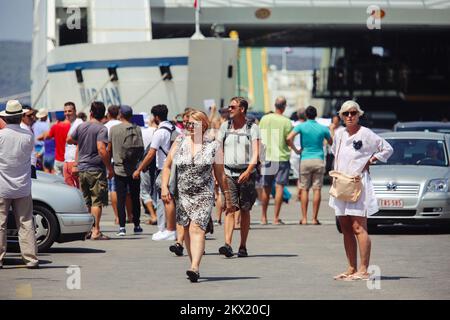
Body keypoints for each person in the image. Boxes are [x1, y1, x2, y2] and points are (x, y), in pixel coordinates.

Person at [161, 110, 233, 282]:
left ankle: (195, 267)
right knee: (186, 228)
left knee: (197, 228)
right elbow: (167, 166)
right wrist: (164, 186)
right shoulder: (179, 141)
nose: (189, 127)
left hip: (203, 194)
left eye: (193, 124)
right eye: (188, 124)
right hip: (183, 194)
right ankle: (192, 261)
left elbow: (220, 175)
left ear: (204, 125)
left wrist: (227, 196)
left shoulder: (214, 146)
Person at [329, 100, 393, 281]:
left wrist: (371, 160)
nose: (350, 116)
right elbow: (335, 154)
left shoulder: (366, 134)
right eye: (346, 113)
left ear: (359, 115)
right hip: (341, 184)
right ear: (341, 116)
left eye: (353, 113)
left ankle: (363, 269)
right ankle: (351, 267)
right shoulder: (340, 134)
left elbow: (387, 148)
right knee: (345, 227)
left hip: (358, 185)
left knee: (358, 227)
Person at [216, 97, 260, 258]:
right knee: (230, 208)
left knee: (245, 209)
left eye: (233, 107)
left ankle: (242, 245)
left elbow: (256, 153)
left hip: (246, 174)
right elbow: (218, 151)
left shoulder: (252, 128)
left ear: (242, 109)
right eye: (229, 107)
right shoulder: (224, 126)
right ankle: (227, 244)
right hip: (228, 173)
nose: (229, 109)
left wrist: (248, 171)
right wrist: (218, 173)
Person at [0, 100, 39, 269]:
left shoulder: (1, 136)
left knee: (0, 225)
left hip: (2, 186)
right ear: (20, 116)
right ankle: (30, 259)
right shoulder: (28, 136)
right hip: (23, 186)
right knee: (26, 223)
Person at [67, 101, 113, 240]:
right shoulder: (102, 128)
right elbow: (101, 148)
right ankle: (96, 230)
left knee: (87, 201)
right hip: (95, 169)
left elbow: (69, 139)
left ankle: (88, 229)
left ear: (91, 113)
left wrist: (82, 142)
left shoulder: (82, 126)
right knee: (97, 201)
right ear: (103, 114)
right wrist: (109, 167)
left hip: (82, 168)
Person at [133, 104, 177, 241]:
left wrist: (139, 169)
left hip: (163, 169)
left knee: (162, 200)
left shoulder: (159, 132)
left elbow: (151, 153)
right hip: (175, 168)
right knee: (172, 200)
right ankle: (172, 228)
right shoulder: (174, 129)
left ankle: (164, 229)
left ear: (156, 117)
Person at [287, 106, 333, 225]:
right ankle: (314, 219)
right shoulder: (322, 128)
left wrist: (296, 150)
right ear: (316, 115)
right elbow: (331, 141)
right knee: (317, 189)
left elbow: (288, 138)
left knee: (305, 189)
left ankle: (304, 218)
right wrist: (323, 143)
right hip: (318, 159)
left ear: (306, 115)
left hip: (305, 159)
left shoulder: (301, 126)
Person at [109, 105, 144, 236]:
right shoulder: (137, 129)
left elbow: (110, 149)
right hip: (134, 168)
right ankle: (137, 225)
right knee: (135, 197)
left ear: (120, 114)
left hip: (119, 168)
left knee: (121, 198)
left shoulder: (113, 129)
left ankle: (122, 227)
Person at [258, 96, 293, 225]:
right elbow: (289, 139)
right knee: (279, 188)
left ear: (274, 105)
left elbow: (259, 136)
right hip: (282, 157)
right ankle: (276, 218)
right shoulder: (286, 121)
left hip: (267, 157)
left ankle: (263, 217)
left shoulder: (264, 119)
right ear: (284, 106)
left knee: (266, 188)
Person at [63, 102, 83, 188]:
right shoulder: (71, 124)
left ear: (75, 111)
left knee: (78, 190)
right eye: (65, 111)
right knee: (71, 190)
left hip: (74, 162)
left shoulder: (79, 124)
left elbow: (80, 144)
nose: (67, 113)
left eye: (69, 111)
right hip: (68, 161)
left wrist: (75, 164)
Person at [20, 108, 38, 179]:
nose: (32, 117)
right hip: (28, 165)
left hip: (31, 164)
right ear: (22, 117)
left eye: (33, 115)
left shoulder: (27, 128)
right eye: (29, 115)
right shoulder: (23, 129)